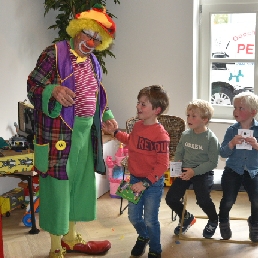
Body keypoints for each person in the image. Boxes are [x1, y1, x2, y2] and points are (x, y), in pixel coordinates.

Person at [27, 4, 118, 258]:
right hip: (58, 133)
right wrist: (52, 90)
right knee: (58, 185)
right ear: (77, 31)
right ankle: (56, 247)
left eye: (97, 39)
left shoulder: (93, 62)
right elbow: (33, 84)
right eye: (88, 35)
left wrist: (107, 117)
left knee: (79, 184)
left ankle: (70, 238)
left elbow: (96, 95)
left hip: (86, 133)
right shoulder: (53, 53)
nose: (91, 42)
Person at [103, 85, 170, 258]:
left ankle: (155, 249)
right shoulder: (138, 126)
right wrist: (116, 132)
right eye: (138, 103)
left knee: (150, 219)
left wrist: (145, 183)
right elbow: (131, 140)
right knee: (133, 217)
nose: (138, 107)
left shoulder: (161, 135)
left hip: (152, 184)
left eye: (143, 104)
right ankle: (143, 236)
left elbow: (163, 164)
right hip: (134, 180)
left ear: (157, 110)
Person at [165, 99, 220, 238]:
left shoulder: (211, 139)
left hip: (203, 171)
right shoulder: (185, 135)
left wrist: (194, 172)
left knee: (202, 200)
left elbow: (213, 162)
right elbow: (179, 153)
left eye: (193, 116)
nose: (189, 118)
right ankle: (187, 217)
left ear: (205, 119)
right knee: (171, 198)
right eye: (188, 115)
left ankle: (213, 219)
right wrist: (176, 166)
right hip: (185, 169)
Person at [219, 92, 258, 242]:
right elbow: (223, 153)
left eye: (240, 108)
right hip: (232, 170)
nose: (235, 111)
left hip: (253, 171)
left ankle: (254, 223)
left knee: (256, 200)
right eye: (234, 108)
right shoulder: (231, 130)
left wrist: (256, 145)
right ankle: (223, 221)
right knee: (228, 200)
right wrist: (232, 143)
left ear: (253, 112)